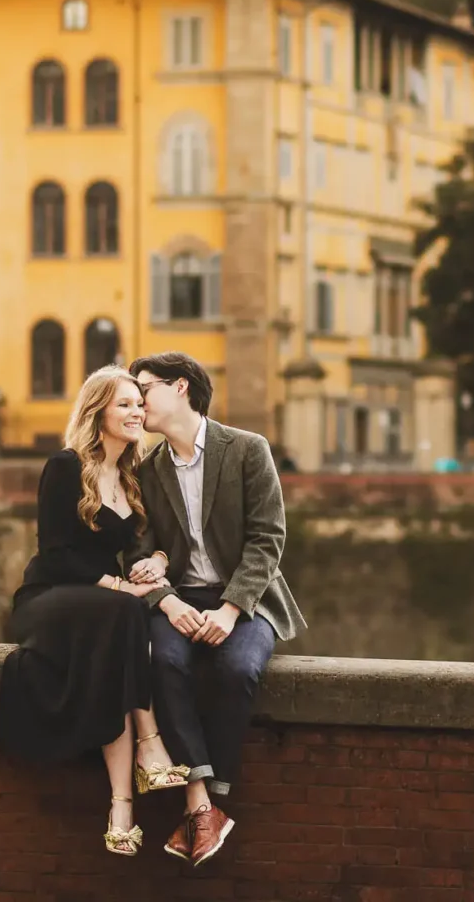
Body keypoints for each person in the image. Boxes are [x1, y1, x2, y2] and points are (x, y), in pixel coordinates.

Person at [0, 366, 194, 856]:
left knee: (121, 627)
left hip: (104, 607)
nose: (136, 412)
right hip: (49, 596)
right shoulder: (65, 466)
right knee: (125, 612)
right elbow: (57, 554)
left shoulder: (133, 476)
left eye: (139, 404)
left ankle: (121, 806)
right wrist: (118, 584)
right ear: (98, 410)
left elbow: (160, 542)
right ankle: (149, 743)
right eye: (124, 403)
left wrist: (155, 562)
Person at [125, 352, 306, 867]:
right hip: (180, 597)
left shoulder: (248, 449)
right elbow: (138, 553)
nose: (138, 401)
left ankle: (212, 795)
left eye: (145, 389)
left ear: (181, 387)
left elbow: (268, 539)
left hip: (245, 599)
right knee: (165, 664)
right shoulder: (146, 470)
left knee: (238, 667)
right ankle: (200, 804)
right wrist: (168, 601)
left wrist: (230, 610)